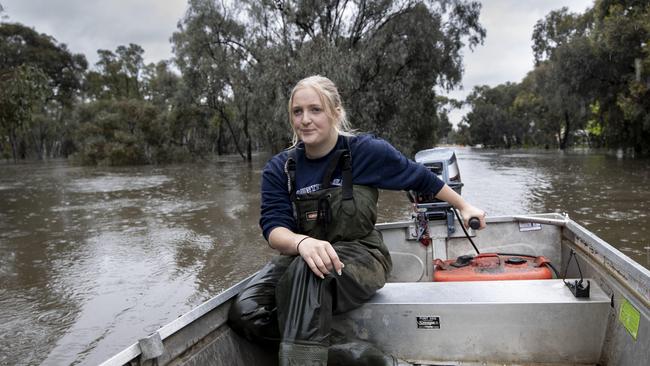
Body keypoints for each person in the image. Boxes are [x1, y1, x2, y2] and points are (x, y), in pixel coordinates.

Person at [228, 75, 486, 366]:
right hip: (300, 253)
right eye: (297, 112)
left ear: (336, 112)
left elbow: (420, 177)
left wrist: (464, 206)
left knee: (308, 270)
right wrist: (302, 243)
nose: (305, 120)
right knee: (247, 312)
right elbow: (273, 229)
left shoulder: (365, 152)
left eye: (316, 110)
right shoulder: (281, 167)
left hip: (362, 256)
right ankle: (370, 360)